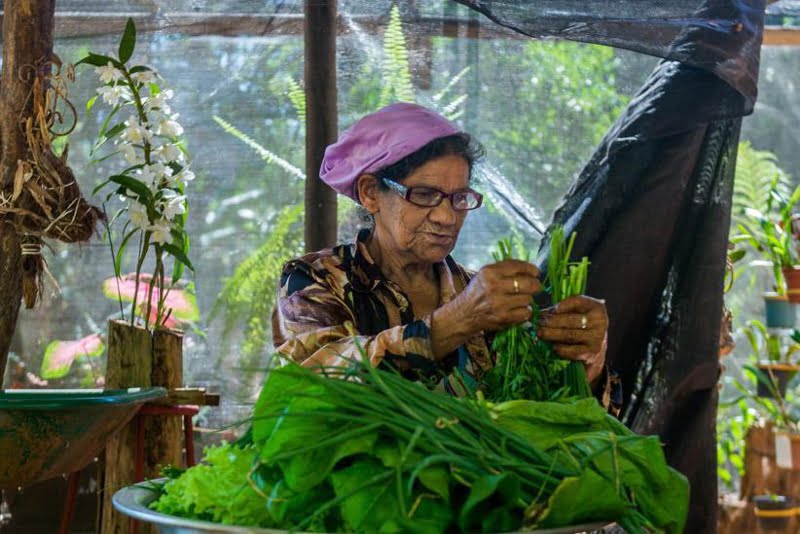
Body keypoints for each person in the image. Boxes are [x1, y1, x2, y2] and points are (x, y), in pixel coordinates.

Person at [272, 102, 615, 406]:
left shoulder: (482, 295)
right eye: (424, 194)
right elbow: (317, 386)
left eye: (459, 198)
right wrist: (459, 320)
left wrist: (586, 358)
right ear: (371, 193)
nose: (446, 217)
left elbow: (548, 416)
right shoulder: (316, 280)